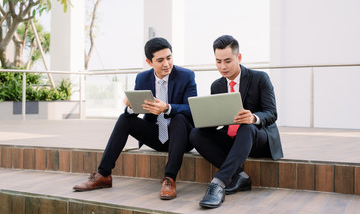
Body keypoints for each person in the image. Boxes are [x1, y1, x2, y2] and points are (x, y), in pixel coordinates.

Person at [73, 37, 197, 200]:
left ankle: (169, 179)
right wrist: (131, 107)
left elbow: (192, 109)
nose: (166, 64)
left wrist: (167, 108)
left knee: (179, 118)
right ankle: (103, 175)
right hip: (157, 137)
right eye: (160, 60)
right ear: (149, 61)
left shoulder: (186, 76)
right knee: (125, 118)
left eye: (169, 58)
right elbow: (135, 110)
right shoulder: (142, 79)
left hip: (182, 138)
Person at [190, 35, 283, 208]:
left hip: (259, 138)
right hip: (233, 139)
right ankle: (240, 176)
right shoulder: (216, 86)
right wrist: (205, 119)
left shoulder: (260, 78)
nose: (222, 67)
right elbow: (219, 119)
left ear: (239, 57)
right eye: (218, 61)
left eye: (227, 61)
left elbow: (272, 113)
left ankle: (218, 184)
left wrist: (253, 118)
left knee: (246, 127)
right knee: (196, 133)